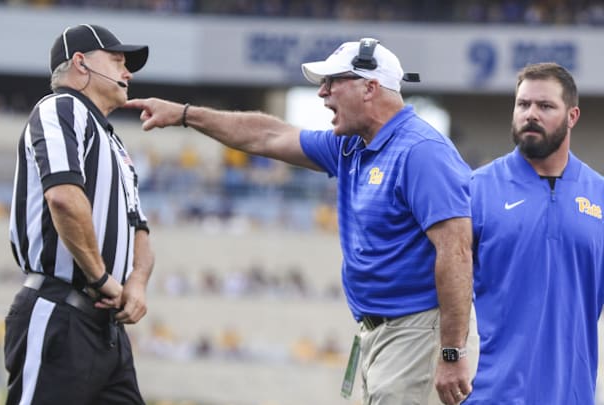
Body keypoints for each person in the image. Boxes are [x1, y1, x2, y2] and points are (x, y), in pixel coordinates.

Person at [126, 38, 478, 405]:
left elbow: (456, 252)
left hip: (420, 331)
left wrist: (452, 353)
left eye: (333, 82)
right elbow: (269, 135)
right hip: (385, 333)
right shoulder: (352, 146)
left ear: (370, 87)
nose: (322, 94)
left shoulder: (422, 152)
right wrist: (185, 115)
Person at [6, 24, 154, 405]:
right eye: (118, 61)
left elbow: (140, 228)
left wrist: (136, 282)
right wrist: (101, 277)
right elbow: (64, 199)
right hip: (61, 309)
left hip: (106, 329)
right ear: (81, 63)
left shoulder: (116, 144)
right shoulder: (61, 108)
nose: (128, 73)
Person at [466, 63, 604, 404]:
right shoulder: (476, 189)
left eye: (545, 106)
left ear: (572, 116)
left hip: (572, 393)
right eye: (523, 104)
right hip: (487, 393)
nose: (531, 114)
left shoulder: (599, 195)